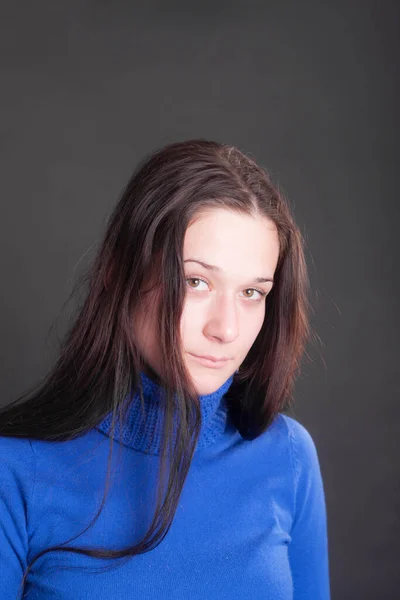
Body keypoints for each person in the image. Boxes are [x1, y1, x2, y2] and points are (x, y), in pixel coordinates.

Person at [0, 139, 330, 599]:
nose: (226, 329)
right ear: (121, 272)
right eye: (196, 282)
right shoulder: (14, 469)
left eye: (252, 292)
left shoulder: (289, 456)